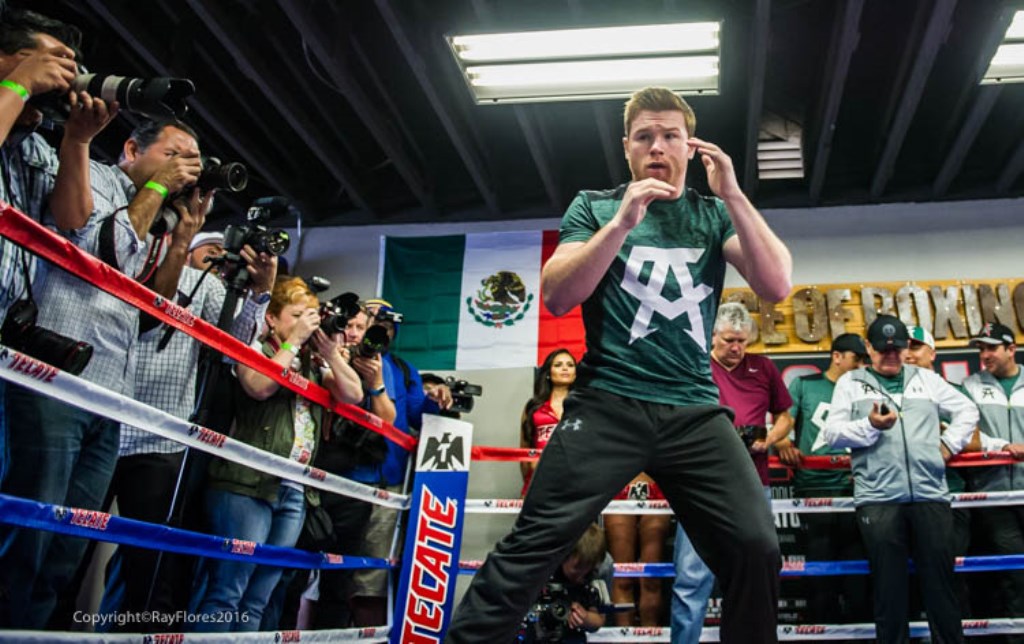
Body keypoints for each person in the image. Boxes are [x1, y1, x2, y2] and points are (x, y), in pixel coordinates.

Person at [447, 86, 792, 643]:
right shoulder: (596, 206)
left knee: (757, 546)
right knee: (533, 545)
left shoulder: (711, 216)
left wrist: (731, 193)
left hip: (694, 411)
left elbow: (776, 283)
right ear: (627, 148)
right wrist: (623, 223)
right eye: (644, 137)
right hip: (608, 403)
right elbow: (558, 295)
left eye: (670, 135)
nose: (657, 147)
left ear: (690, 144)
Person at [97, 223, 276, 630]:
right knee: (63, 543)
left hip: (162, 436)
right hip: (102, 417)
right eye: (208, 249)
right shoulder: (138, 258)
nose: (219, 258)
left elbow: (238, 344)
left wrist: (260, 292)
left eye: (223, 251)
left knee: (152, 561)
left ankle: (141, 635)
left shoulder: (211, 289)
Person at [192, 277, 362, 631]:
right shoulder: (257, 348)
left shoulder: (314, 362)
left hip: (295, 488)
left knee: (259, 596)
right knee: (228, 589)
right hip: (246, 483)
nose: (306, 322)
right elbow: (258, 386)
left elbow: (353, 394)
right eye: (298, 314)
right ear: (272, 318)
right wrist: (293, 340)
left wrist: (329, 352)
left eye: (311, 316)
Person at [0, 7, 109, 485]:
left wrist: (78, 141)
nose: (63, 77)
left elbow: (73, 221)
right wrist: (21, 83)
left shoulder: (33, 145)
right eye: (51, 62)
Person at [822, 314, 978, 644]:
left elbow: (968, 411)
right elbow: (832, 434)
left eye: (896, 349)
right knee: (889, 592)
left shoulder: (927, 380)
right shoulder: (850, 383)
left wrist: (949, 445)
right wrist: (870, 427)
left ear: (906, 348)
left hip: (930, 495)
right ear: (868, 347)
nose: (890, 356)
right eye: (882, 350)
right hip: (878, 500)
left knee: (942, 589)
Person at [671, 302, 793, 643]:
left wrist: (769, 438)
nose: (736, 348)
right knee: (691, 579)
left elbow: (785, 417)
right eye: (728, 340)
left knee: (754, 576)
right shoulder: (694, 365)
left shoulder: (763, 368)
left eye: (742, 341)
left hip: (753, 483)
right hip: (701, 485)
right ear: (712, 336)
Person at [349, 298, 450, 626]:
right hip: (343, 476)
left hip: (388, 482)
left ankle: (368, 634)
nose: (382, 330)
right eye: (375, 322)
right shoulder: (344, 354)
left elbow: (419, 417)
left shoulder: (405, 370)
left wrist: (436, 399)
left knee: (374, 572)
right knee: (323, 567)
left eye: (389, 326)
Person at [771, 333, 870, 629]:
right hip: (814, 483)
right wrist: (782, 441)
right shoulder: (806, 385)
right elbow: (784, 417)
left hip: (857, 485)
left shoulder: (864, 389)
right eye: (856, 359)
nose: (860, 366)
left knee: (857, 564)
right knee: (819, 561)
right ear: (837, 356)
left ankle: (859, 631)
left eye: (864, 360)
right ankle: (820, 631)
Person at [960, 322, 1024, 628]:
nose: (984, 354)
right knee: (1013, 575)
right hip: (994, 495)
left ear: (1011, 349)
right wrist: (1003, 446)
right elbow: (965, 437)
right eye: (980, 348)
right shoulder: (970, 386)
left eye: (991, 348)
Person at [518, 523, 612, 643]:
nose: (581, 575)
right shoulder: (539, 568)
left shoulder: (593, 577)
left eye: (587, 569)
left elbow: (598, 619)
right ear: (564, 556)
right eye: (577, 568)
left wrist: (585, 618)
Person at [520, 348, 577, 496]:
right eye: (558, 365)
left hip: (575, 482)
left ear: (576, 373)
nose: (565, 368)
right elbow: (524, 449)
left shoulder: (583, 406)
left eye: (570, 365)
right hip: (538, 482)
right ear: (548, 373)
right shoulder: (533, 407)